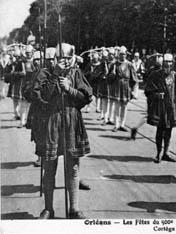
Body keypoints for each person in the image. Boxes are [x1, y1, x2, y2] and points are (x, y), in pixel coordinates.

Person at [25, 43, 92, 219]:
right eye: (61, 57)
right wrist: (55, 75)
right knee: (49, 167)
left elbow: (86, 98)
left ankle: (74, 209)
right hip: (50, 124)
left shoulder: (76, 73)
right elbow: (40, 97)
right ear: (55, 57)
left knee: (73, 167)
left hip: (71, 123)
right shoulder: (44, 73)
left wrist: (70, 89)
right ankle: (48, 208)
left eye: (68, 58)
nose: (64, 61)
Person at [145, 53, 176, 163]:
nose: (168, 64)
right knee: (160, 130)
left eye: (170, 62)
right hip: (160, 108)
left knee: (168, 130)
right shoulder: (155, 75)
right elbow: (148, 90)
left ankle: (166, 152)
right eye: (166, 62)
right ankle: (159, 153)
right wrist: (156, 95)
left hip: (171, 108)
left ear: (172, 63)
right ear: (162, 63)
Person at [130, 53, 163, 140]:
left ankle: (136, 127)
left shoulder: (151, 70)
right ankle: (136, 128)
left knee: (150, 115)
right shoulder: (158, 72)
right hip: (155, 97)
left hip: (151, 96)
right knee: (155, 116)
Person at [110, 46, 138, 132]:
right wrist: (112, 74)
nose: (123, 56)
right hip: (117, 87)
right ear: (118, 55)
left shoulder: (129, 64)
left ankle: (122, 124)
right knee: (117, 106)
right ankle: (116, 124)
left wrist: (133, 90)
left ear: (126, 54)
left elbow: (134, 78)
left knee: (124, 107)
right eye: (121, 54)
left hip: (126, 88)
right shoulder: (115, 64)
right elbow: (109, 78)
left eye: (124, 54)